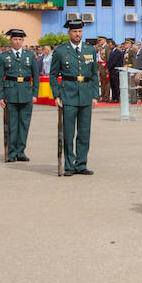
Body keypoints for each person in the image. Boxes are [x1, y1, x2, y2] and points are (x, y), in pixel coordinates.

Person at [50, 16, 99, 176]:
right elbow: (53, 75)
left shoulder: (90, 50)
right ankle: (69, 165)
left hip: (86, 94)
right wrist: (57, 95)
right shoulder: (60, 51)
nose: (78, 34)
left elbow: (94, 74)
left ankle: (81, 164)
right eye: (75, 31)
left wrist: (95, 95)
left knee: (84, 132)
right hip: (68, 94)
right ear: (69, 33)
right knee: (68, 132)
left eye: (80, 31)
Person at [0, 28, 40, 162]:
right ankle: (11, 152)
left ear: (23, 41)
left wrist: (35, 93)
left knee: (24, 124)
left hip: (26, 92)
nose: (18, 42)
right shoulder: (4, 56)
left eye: (20, 39)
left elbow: (35, 76)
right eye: (15, 39)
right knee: (12, 124)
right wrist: (0, 96)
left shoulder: (30, 55)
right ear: (10, 40)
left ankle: (21, 151)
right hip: (11, 93)